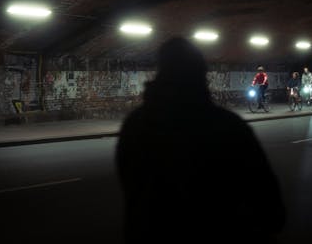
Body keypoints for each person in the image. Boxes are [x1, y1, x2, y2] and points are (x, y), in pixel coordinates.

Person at [116, 37, 285, 244]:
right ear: (202, 74)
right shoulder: (228, 126)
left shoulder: (134, 125)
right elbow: (269, 205)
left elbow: (128, 184)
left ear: (160, 73)